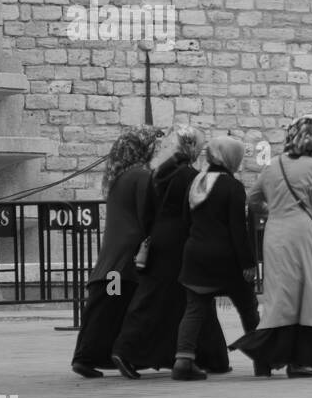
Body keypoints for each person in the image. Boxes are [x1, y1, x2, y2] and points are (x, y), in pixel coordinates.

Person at [231, 117, 312, 378]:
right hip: (301, 235)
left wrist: (273, 209)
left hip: (275, 235)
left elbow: (252, 200)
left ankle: (269, 353)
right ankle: (299, 360)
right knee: (307, 296)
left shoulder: (271, 168)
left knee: (281, 297)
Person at [110, 126, 228, 378]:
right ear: (192, 148)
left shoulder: (160, 174)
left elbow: (148, 211)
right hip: (181, 243)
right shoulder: (191, 177)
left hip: (160, 241)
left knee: (156, 298)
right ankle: (128, 351)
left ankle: (209, 356)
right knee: (195, 299)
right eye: (199, 146)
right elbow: (197, 214)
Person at [71, 126, 161, 378]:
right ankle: (92, 356)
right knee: (111, 307)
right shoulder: (142, 175)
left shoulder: (119, 175)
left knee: (105, 307)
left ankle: (88, 356)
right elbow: (148, 214)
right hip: (126, 258)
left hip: (113, 256)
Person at [171, 136, 260, 382]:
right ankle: (262, 359)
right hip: (226, 260)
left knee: (195, 309)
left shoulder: (196, 182)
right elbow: (237, 230)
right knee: (248, 309)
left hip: (196, 255)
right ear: (230, 158)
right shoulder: (232, 187)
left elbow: (185, 221)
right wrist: (248, 263)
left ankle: (183, 360)